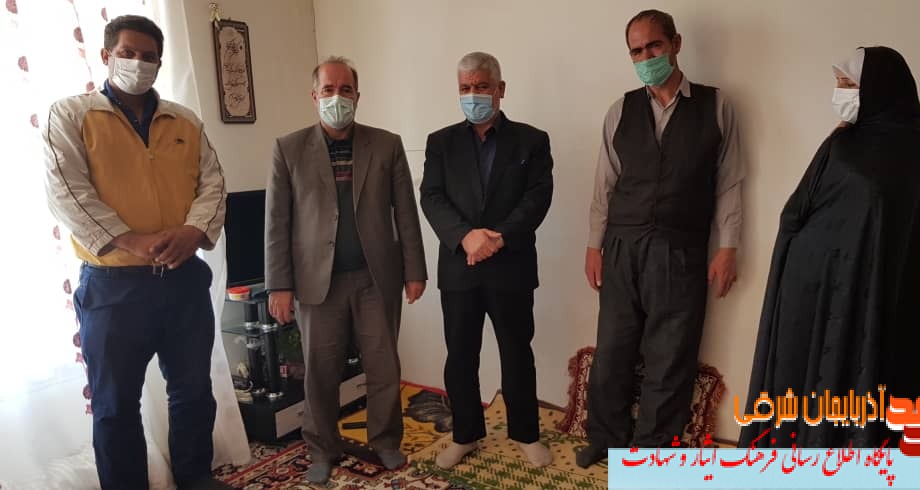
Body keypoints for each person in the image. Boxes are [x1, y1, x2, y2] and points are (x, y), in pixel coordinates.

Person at [42, 15, 233, 490]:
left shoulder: (185, 121)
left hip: (184, 280)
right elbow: (67, 193)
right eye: (128, 53)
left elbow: (213, 184)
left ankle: (195, 478)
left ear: (160, 64)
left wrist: (192, 232)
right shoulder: (71, 116)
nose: (138, 63)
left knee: (193, 392)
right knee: (115, 406)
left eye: (149, 57)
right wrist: (132, 240)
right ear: (106, 55)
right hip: (113, 287)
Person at [738, 46, 920, 449]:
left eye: (849, 83)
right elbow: (797, 211)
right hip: (811, 289)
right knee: (798, 377)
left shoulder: (913, 148)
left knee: (857, 372)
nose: (840, 92)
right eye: (839, 82)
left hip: (870, 291)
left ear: (879, 88)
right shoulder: (846, 144)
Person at [577, 9, 745, 468]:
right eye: (636, 51)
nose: (646, 57)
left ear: (675, 44)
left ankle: (652, 452)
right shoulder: (620, 110)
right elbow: (604, 185)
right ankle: (605, 438)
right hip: (621, 247)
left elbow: (730, 182)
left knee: (670, 355)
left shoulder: (716, 106)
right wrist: (593, 245)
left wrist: (728, 247)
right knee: (613, 348)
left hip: (680, 248)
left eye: (654, 46)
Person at [265, 56, 427, 481]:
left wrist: (415, 270)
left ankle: (386, 440)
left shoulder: (386, 145)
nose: (337, 97)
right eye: (329, 90)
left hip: (376, 278)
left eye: (346, 90)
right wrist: (278, 284)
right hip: (317, 283)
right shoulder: (288, 148)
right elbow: (277, 222)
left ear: (358, 95)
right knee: (320, 372)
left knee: (383, 366)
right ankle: (322, 448)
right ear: (314, 96)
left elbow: (405, 213)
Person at [419, 51, 554, 469]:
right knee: (460, 356)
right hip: (459, 268)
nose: (473, 94)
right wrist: (466, 237)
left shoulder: (532, 140)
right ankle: (466, 435)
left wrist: (498, 237)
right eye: (465, 87)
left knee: (517, 354)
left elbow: (538, 197)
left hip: (511, 266)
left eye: (481, 86)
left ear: (500, 89)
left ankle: (526, 434)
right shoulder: (440, 142)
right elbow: (431, 197)